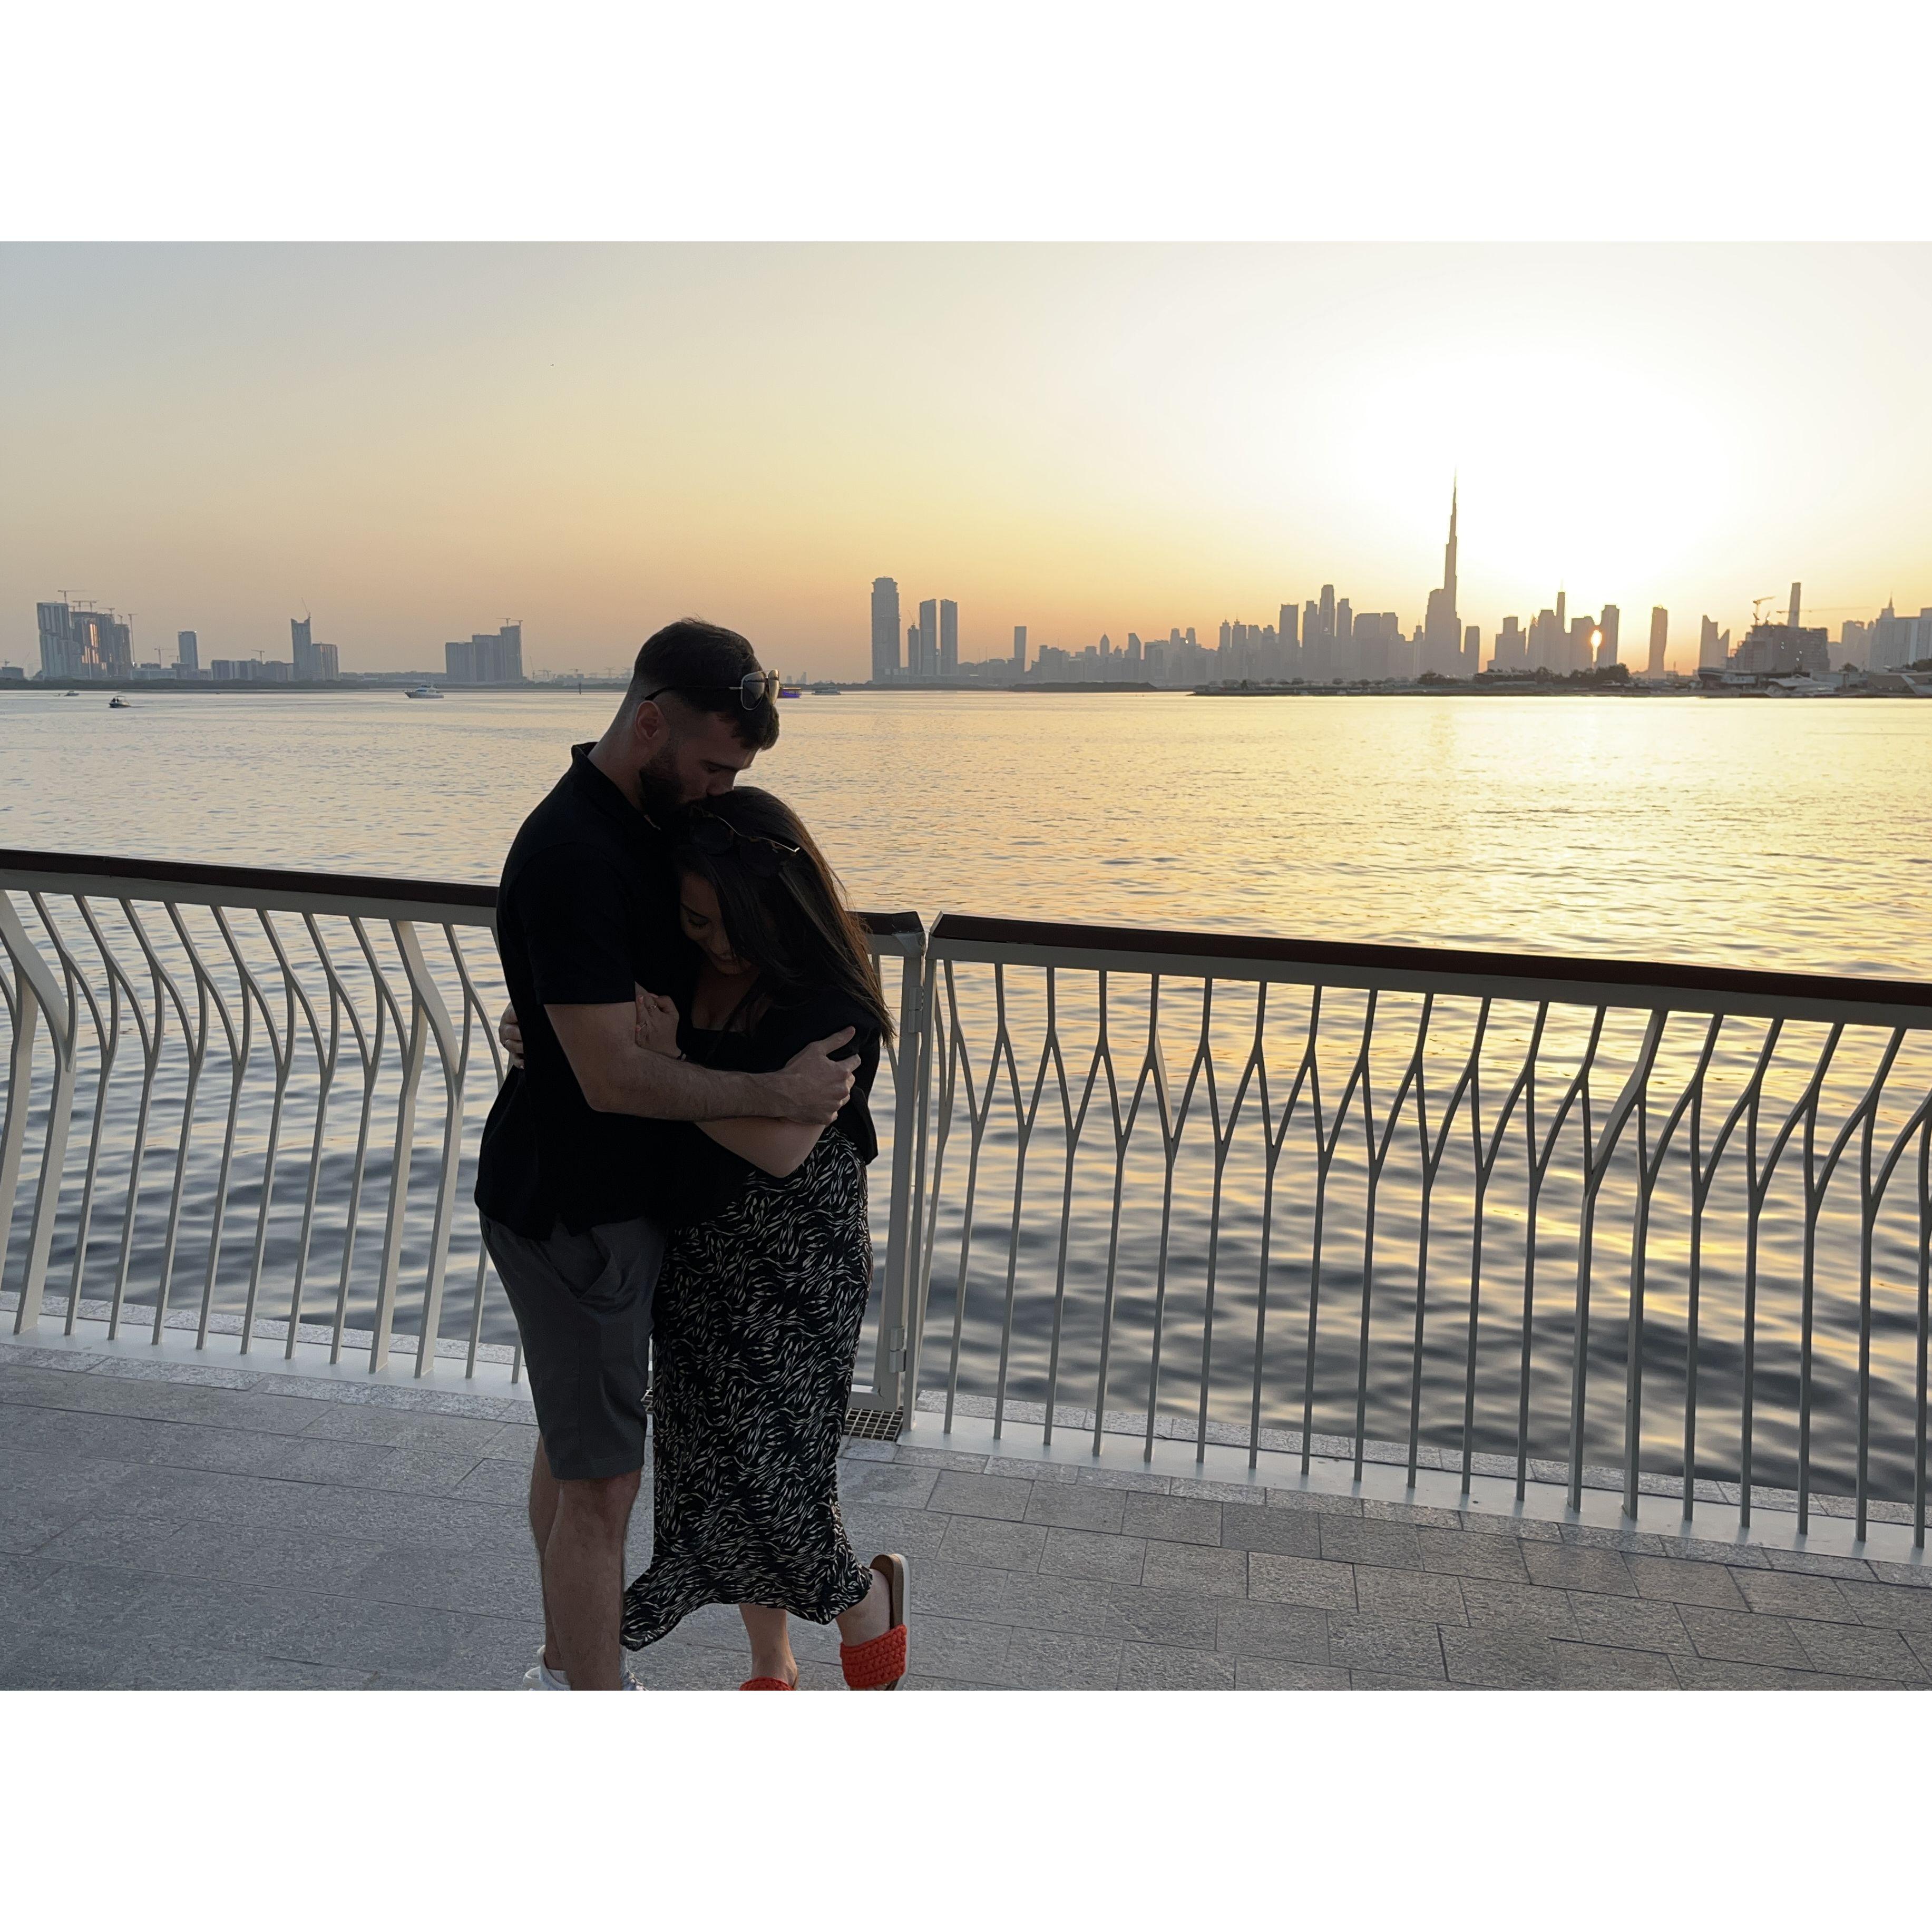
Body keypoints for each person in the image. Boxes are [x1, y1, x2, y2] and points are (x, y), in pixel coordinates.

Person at [474, 619, 860, 1693]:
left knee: (576, 1448)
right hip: (573, 1204)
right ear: (651, 723)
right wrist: (777, 1093)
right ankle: (586, 1695)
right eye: (713, 766)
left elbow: (606, 1013)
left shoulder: (647, 828)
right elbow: (612, 1076)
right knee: (601, 1484)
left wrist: (550, 1020)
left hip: (620, 1199)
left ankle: (566, 1667)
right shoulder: (574, 852)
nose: (720, 789)